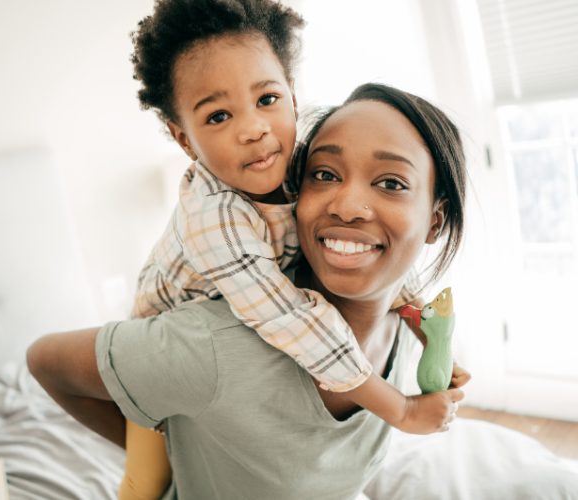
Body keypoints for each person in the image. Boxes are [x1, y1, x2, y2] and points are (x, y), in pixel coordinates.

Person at [27, 82, 470, 500]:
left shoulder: (397, 322)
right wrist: (170, 438)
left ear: (435, 221)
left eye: (391, 183)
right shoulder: (212, 345)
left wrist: (428, 335)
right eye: (325, 174)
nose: (347, 206)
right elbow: (45, 361)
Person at [110, 0, 464, 498]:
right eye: (217, 115)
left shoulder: (302, 155)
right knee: (145, 481)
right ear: (184, 140)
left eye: (267, 99)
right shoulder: (216, 219)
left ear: (293, 99)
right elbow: (289, 320)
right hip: (162, 354)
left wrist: (417, 318)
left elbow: (367, 240)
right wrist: (399, 409)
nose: (253, 128)